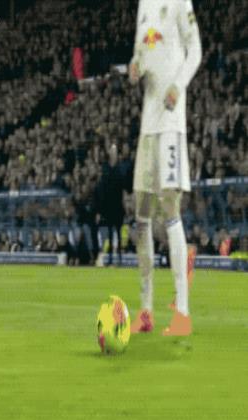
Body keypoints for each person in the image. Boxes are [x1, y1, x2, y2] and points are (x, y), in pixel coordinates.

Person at [129, 0, 201, 336]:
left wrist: (178, 85)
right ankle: (146, 310)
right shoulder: (143, 5)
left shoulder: (179, 1)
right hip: (148, 124)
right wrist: (135, 66)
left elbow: (195, 49)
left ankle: (182, 313)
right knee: (141, 214)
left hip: (171, 120)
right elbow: (140, 54)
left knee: (170, 205)